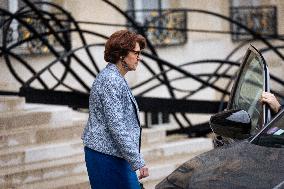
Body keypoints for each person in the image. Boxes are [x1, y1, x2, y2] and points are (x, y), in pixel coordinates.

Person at [81, 30, 149, 189]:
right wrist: (137, 161)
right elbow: (116, 125)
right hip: (106, 156)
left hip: (114, 154)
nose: (139, 58)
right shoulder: (111, 80)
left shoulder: (115, 77)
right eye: (136, 53)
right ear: (121, 54)